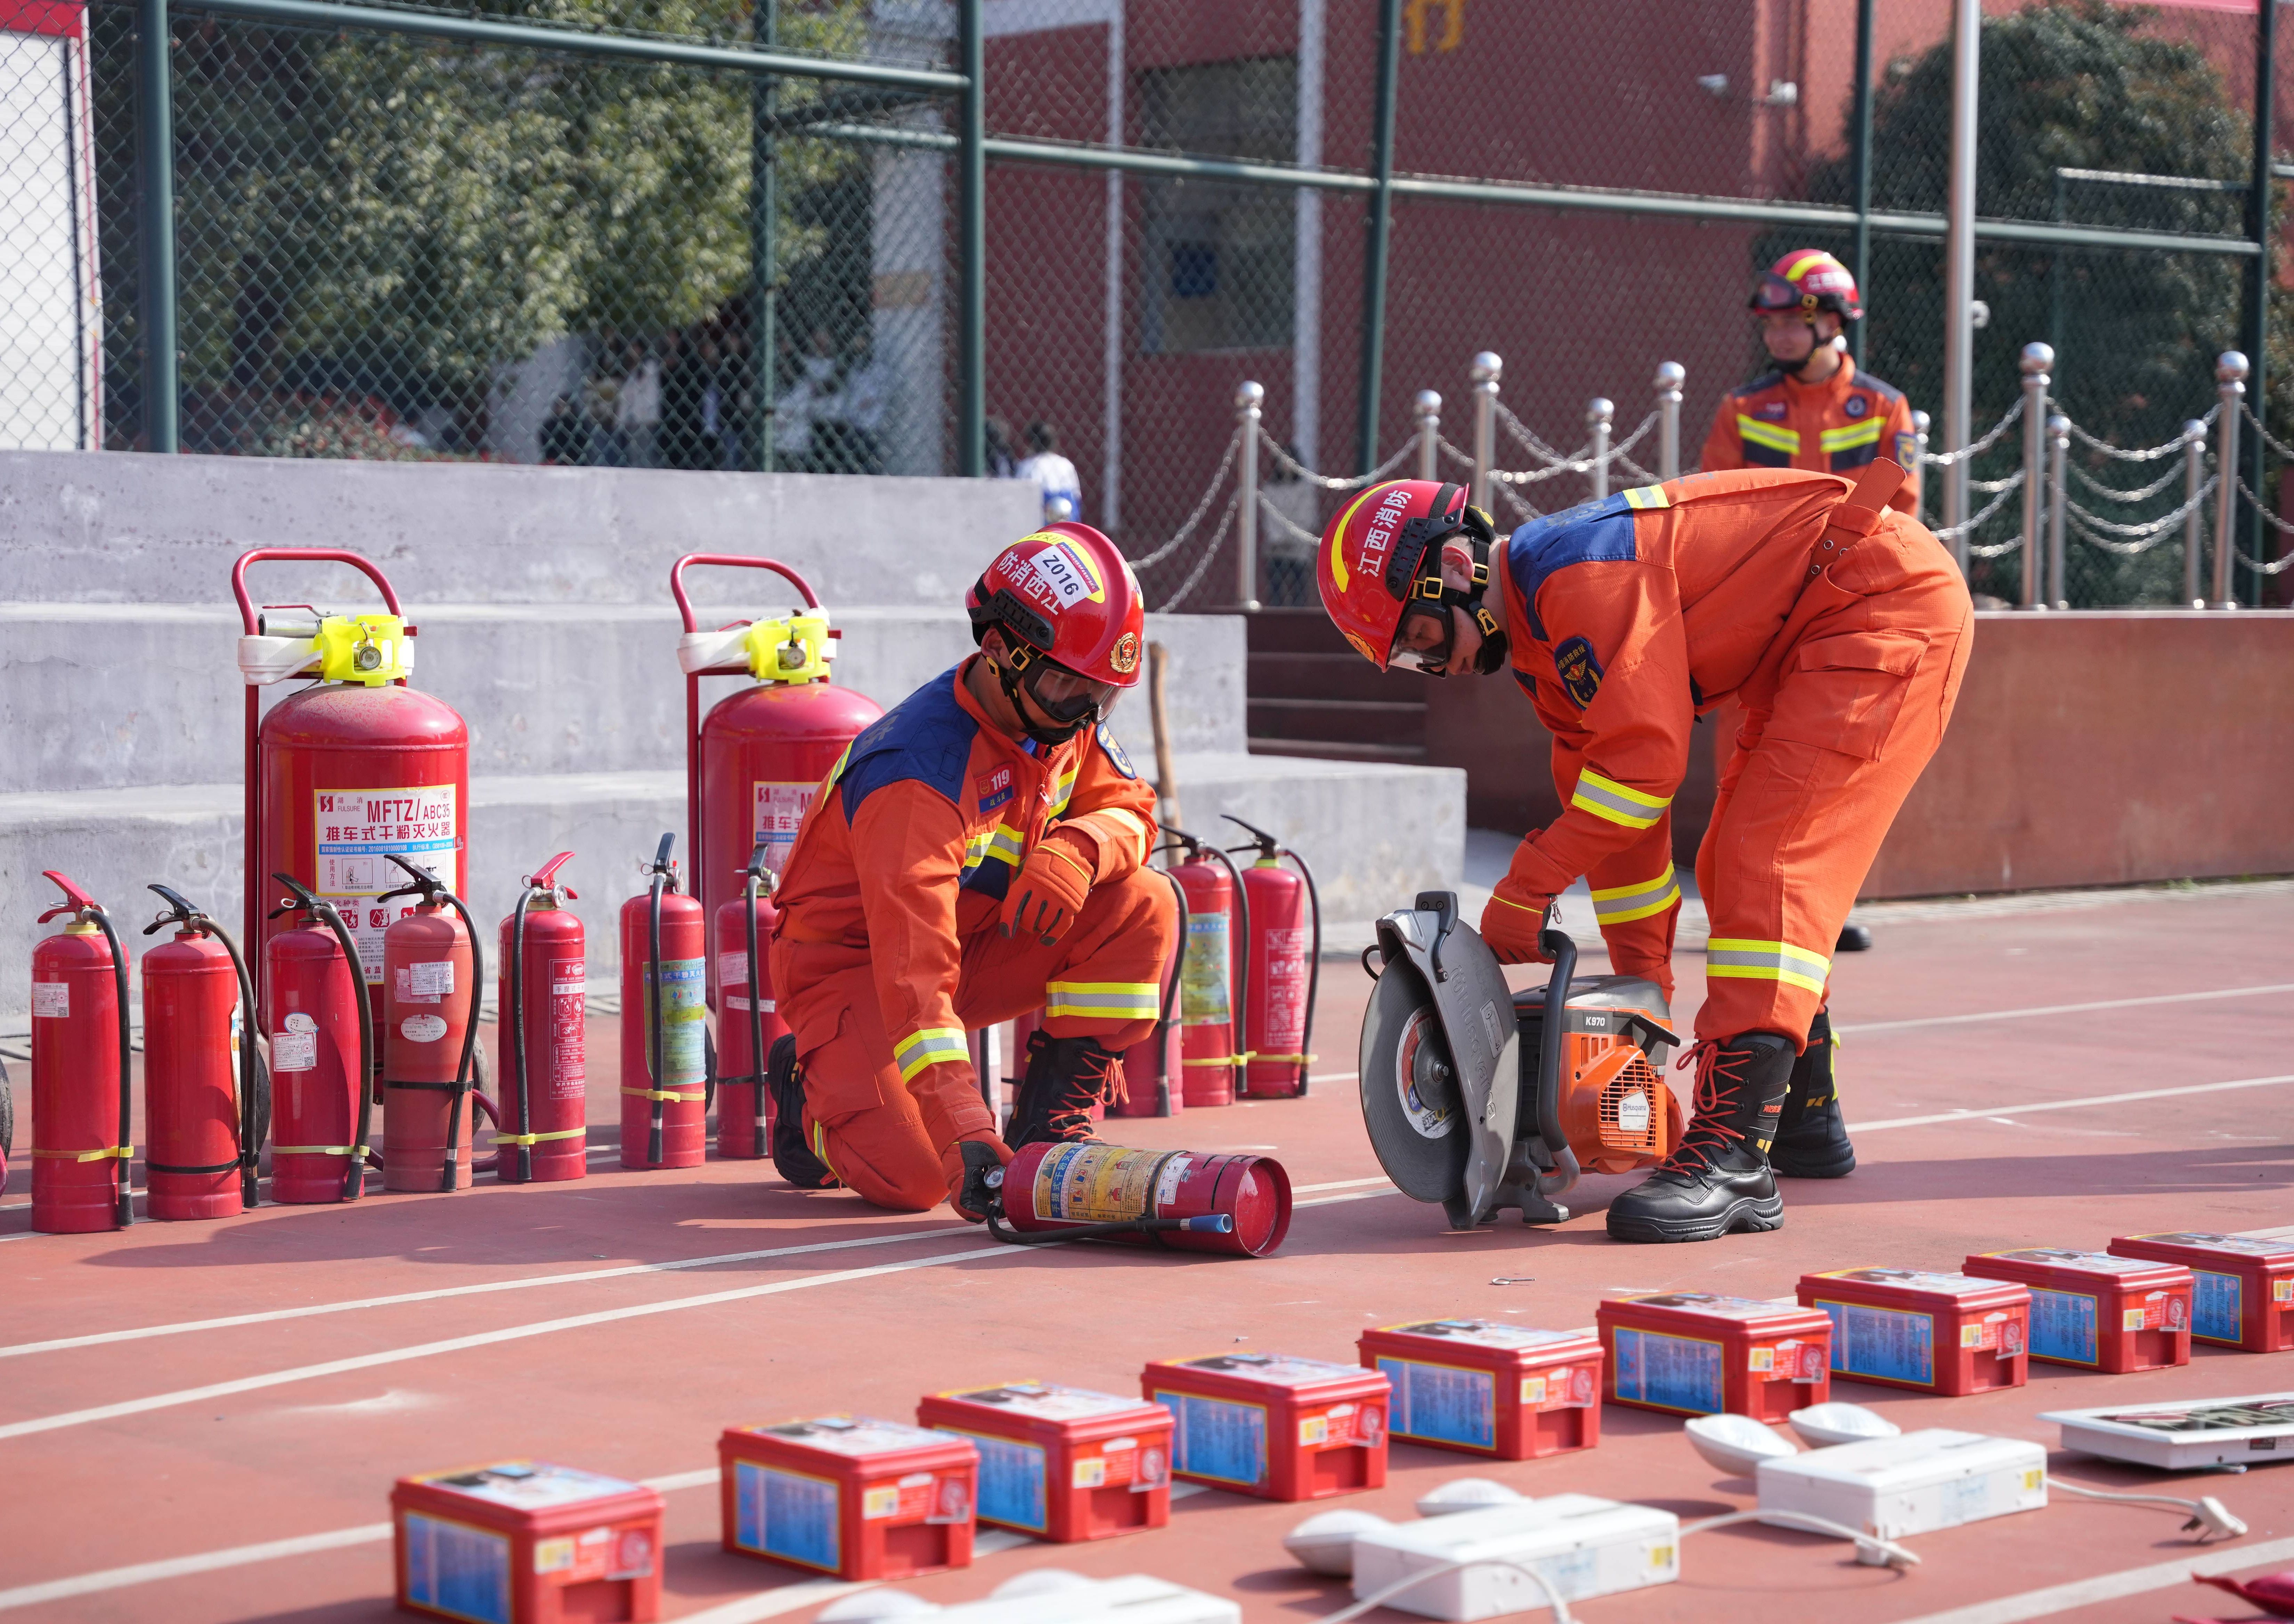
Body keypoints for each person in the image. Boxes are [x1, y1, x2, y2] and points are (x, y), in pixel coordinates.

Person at [1315, 468, 1971, 1242]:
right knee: (1733, 866)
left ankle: (1734, 1158)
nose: (1437, 667)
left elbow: (1642, 769)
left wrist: (1528, 886)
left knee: (1770, 862)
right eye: (1410, 661)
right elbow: (1625, 847)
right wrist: (1642, 1022)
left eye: (1424, 637)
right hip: (1815, 626)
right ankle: (1800, 1120)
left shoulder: (1577, 579)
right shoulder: (1541, 647)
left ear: (1458, 566)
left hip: (1881, 605)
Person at [765, 523, 1174, 1218]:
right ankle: (808, 1099)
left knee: (1143, 901)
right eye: (1067, 686)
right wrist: (967, 1137)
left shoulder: (1054, 713)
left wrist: (1078, 848)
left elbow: (1134, 810)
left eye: (1102, 695)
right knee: (918, 1180)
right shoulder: (918, 779)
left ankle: (1048, 1129)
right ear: (998, 651)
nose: (1085, 711)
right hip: (856, 974)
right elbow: (914, 982)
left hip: (966, 949)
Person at [1701, 251, 1920, 516]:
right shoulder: (1741, 409)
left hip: (1855, 556)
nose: (1775, 338)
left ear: (1831, 324)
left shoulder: (1884, 409)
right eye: (1769, 324)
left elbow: (1900, 513)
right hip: (1767, 558)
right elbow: (1714, 505)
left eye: (1791, 322)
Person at [1016, 421, 1084, 523]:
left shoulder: (1028, 466)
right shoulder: (1066, 464)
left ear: (1032, 444)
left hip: (1039, 519)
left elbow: (1021, 498)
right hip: (1067, 519)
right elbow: (1076, 496)